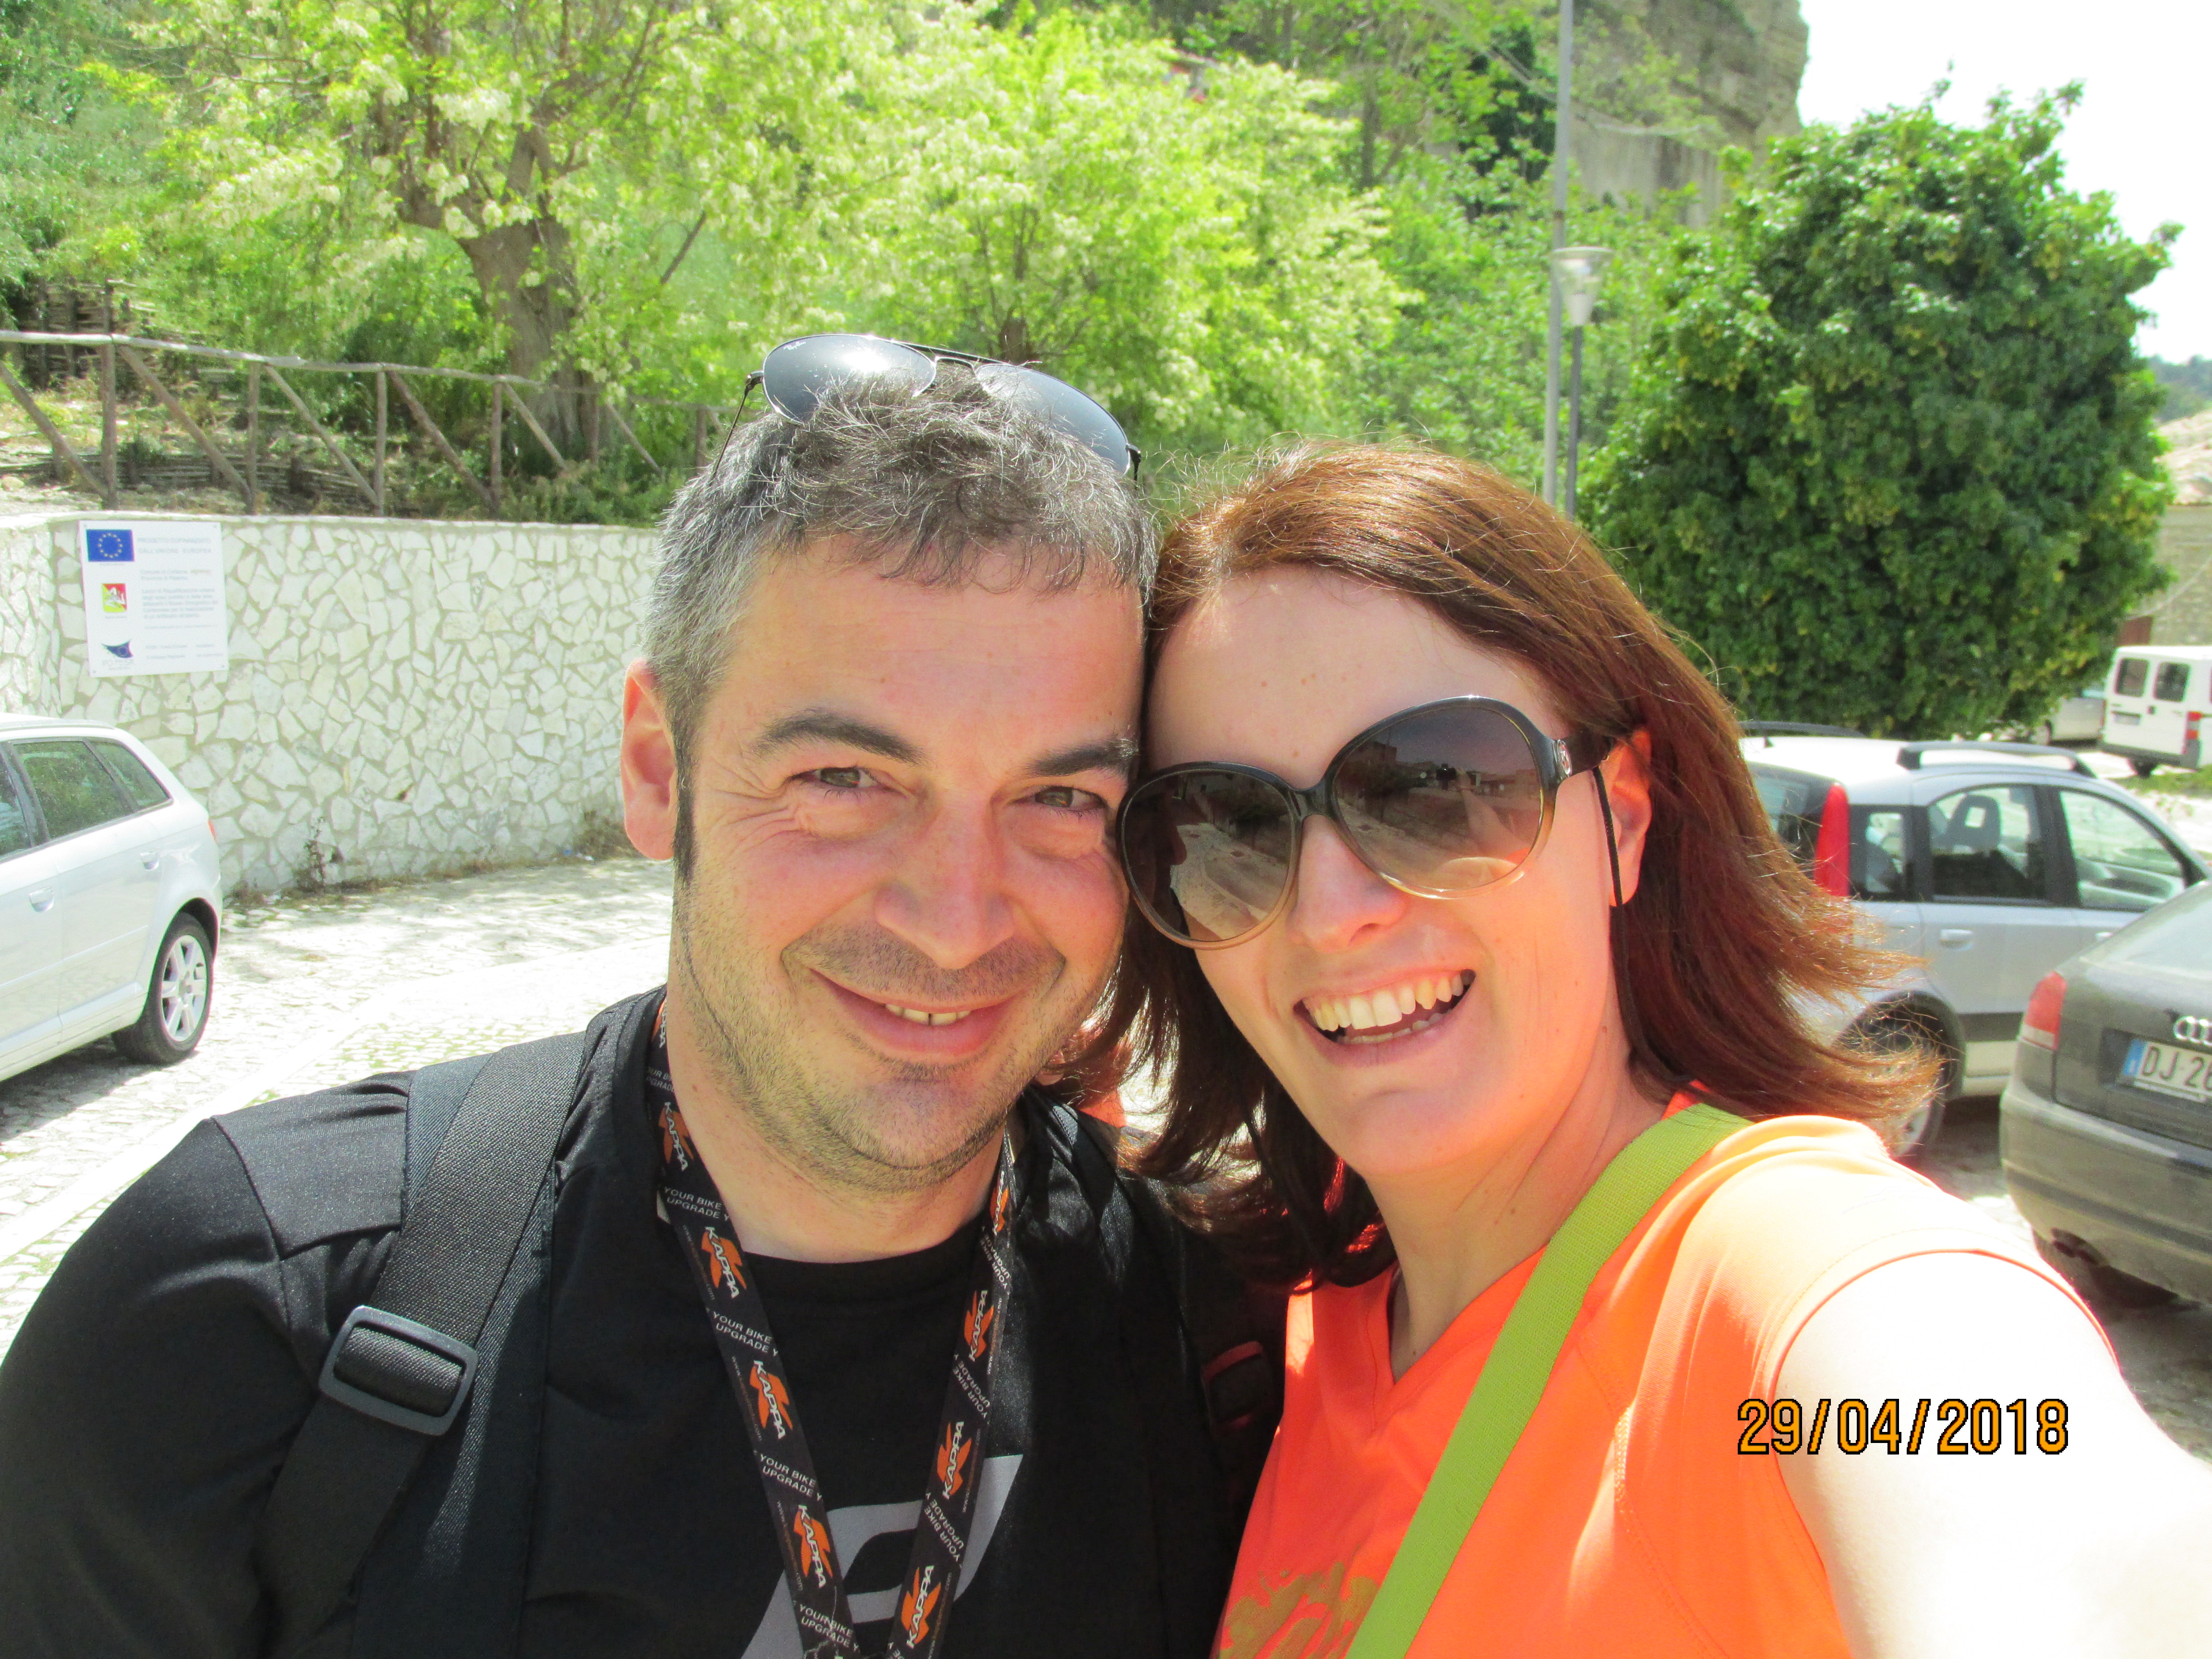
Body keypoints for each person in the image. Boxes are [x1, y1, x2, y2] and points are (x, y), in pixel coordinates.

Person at [0, 342, 1277, 1659]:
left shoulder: (1208, 1334)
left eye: (1060, 798)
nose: (957, 922)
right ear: (658, 768)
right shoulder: (241, 1327)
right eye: (843, 780)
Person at [1112, 444, 2212, 1659]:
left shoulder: (1792, 1298)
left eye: (1435, 789)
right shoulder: (1289, 1318)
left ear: (1623, 817)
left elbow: (2020, 1490)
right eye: (1225, 827)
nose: (1329, 914)